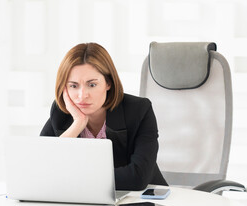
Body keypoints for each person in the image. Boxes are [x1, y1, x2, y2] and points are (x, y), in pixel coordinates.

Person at [40, 42, 167, 190]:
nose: (82, 96)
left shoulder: (138, 110)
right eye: (73, 86)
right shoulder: (61, 113)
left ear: (108, 83)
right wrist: (78, 124)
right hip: (87, 203)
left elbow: (137, 177)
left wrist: (73, 178)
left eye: (92, 85)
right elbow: (42, 169)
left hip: (141, 201)